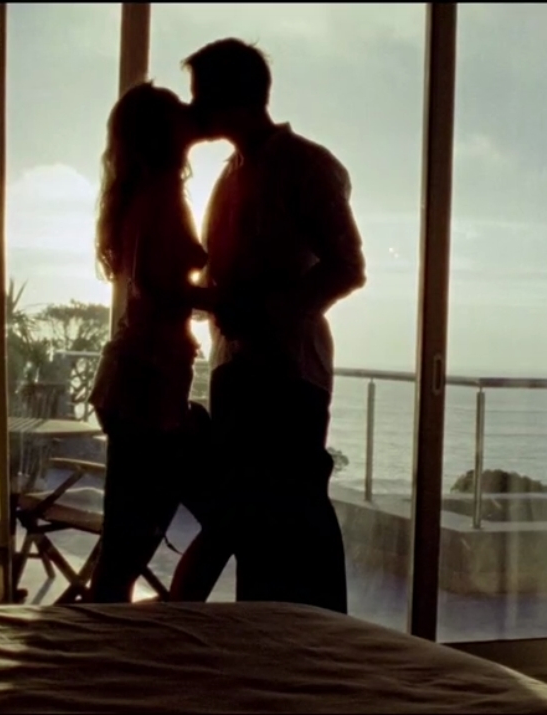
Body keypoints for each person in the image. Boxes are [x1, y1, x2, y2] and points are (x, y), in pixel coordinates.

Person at [184, 38, 367, 613]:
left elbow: (347, 266)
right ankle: (268, 645)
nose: (194, 108)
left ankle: (311, 641)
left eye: (201, 96)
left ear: (230, 97)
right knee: (259, 536)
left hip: (287, 376)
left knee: (288, 526)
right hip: (237, 370)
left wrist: (264, 315)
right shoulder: (231, 176)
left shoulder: (306, 166)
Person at [86, 81, 232, 604]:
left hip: (138, 382)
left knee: (129, 544)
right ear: (162, 134)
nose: (190, 115)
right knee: (140, 543)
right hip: (146, 385)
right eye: (178, 113)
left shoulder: (143, 194)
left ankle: (148, 627)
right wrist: (229, 301)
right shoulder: (162, 196)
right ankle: (152, 628)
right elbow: (158, 285)